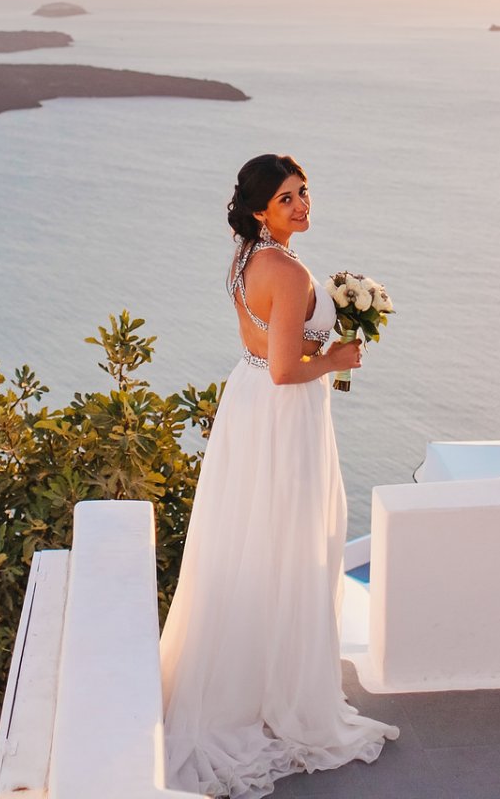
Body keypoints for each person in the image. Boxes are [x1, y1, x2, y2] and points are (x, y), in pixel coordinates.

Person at [158, 153, 399, 799]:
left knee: (251, 537)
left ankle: (253, 674)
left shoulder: (243, 258)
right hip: (284, 412)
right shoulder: (287, 272)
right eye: (287, 198)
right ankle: (280, 688)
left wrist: (318, 347)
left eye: (304, 193)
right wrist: (340, 355)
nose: (301, 205)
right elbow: (287, 370)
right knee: (291, 538)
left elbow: (265, 348)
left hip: (247, 405)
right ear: (261, 209)